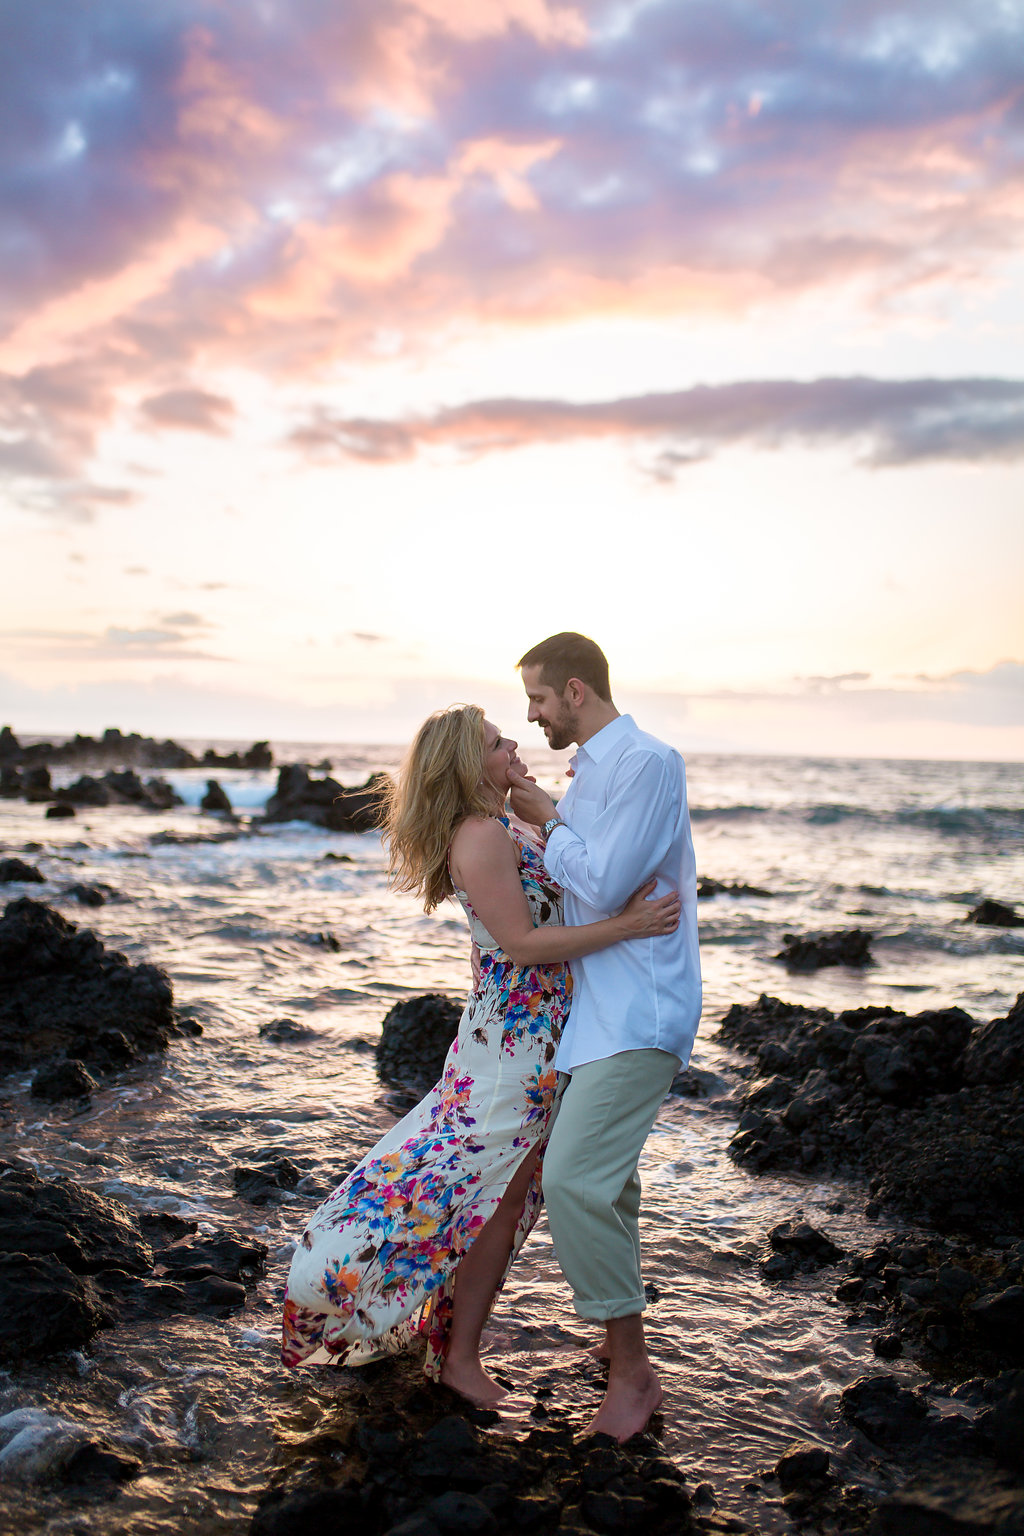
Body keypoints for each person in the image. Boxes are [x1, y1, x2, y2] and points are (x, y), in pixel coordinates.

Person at [281, 703, 681, 1409]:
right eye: (497, 743)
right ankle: (450, 1351)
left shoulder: (509, 825)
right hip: (511, 1055)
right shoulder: (479, 836)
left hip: (541, 1039)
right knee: (476, 1198)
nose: (513, 744)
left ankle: (462, 1346)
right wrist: (631, 926)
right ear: (469, 765)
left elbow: (580, 874)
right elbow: (523, 946)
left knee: (496, 1199)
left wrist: (546, 809)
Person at [508, 632, 702, 1442]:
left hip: (642, 1009)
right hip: (596, 1013)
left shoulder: (648, 764)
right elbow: (573, 886)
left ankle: (633, 1376)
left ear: (577, 690)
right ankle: (626, 1352)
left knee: (577, 1182)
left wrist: (546, 818)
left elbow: (606, 880)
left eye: (540, 700)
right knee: (609, 1189)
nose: (532, 715)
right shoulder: (587, 775)